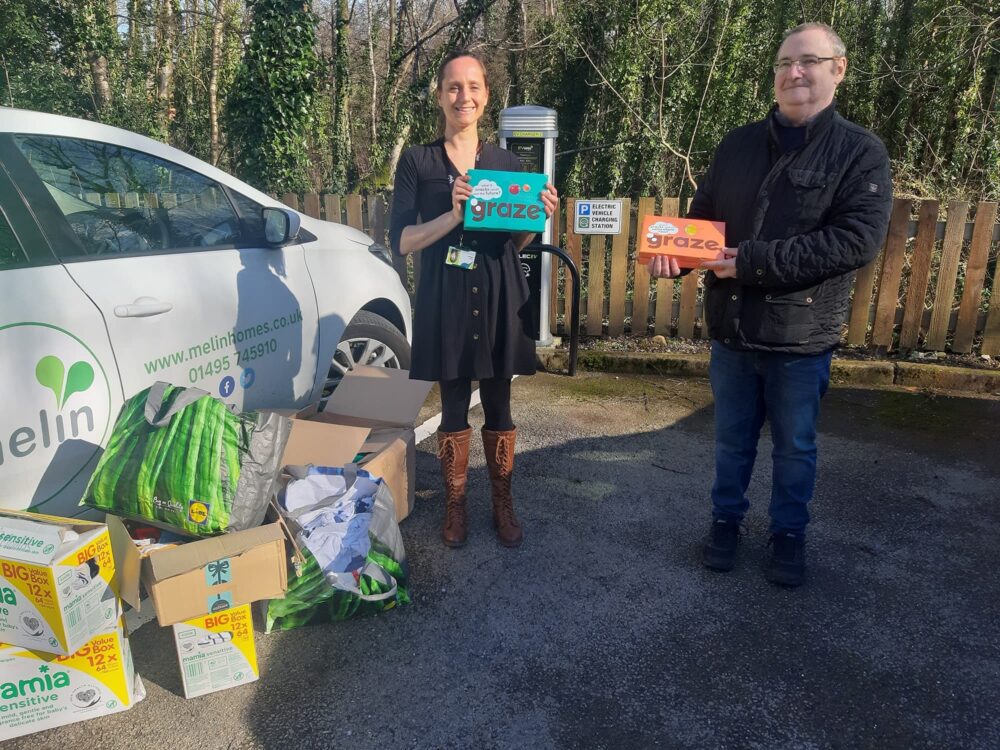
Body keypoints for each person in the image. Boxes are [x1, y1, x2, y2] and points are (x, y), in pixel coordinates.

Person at [648, 22, 892, 586]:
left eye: (807, 61)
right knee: (731, 442)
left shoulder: (860, 154)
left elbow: (855, 240)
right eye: (784, 63)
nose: (793, 73)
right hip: (732, 330)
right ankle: (725, 523)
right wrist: (675, 256)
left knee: (795, 449)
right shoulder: (736, 144)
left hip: (801, 339)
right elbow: (703, 221)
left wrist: (753, 262)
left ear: (839, 69)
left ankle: (788, 535)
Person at [389, 49, 558, 549]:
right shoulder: (418, 161)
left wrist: (537, 218)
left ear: (487, 96)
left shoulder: (507, 163)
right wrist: (453, 214)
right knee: (456, 401)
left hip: (500, 289)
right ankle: (456, 505)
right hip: (447, 293)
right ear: (440, 96)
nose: (464, 96)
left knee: (500, 399)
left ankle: (503, 503)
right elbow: (401, 240)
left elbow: (514, 243)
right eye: (454, 87)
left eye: (474, 86)